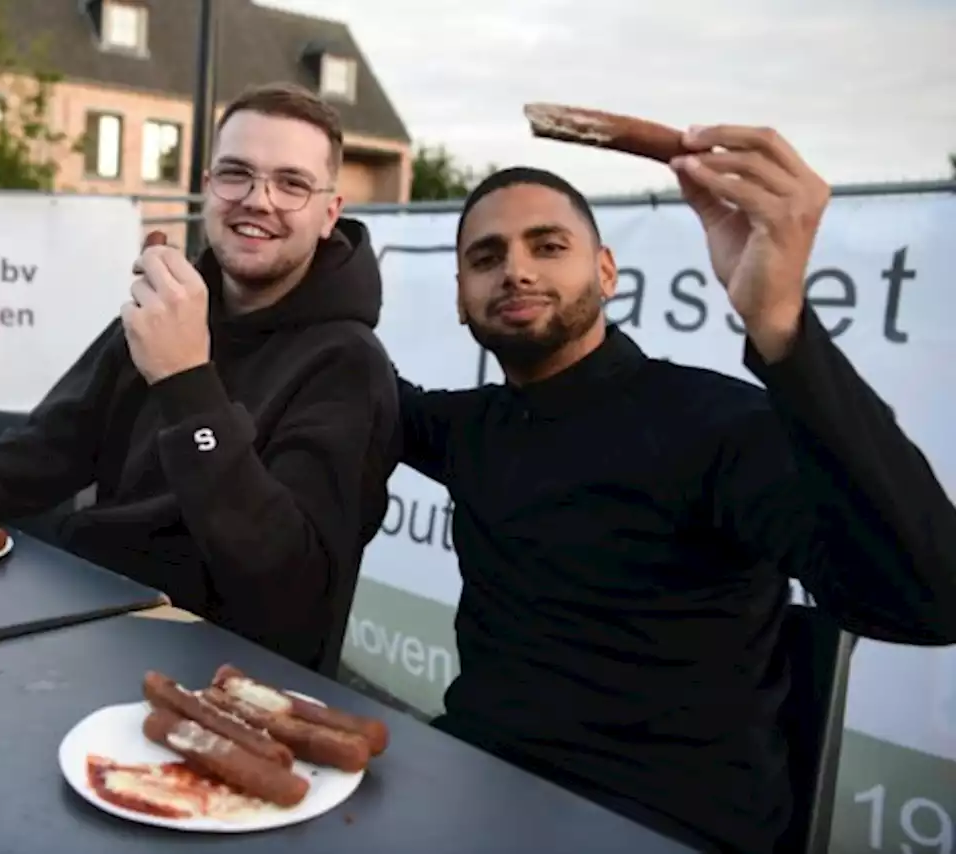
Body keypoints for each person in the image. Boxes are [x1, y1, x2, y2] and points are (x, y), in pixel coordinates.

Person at [398, 127, 956, 853]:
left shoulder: (717, 425)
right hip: (469, 780)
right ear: (461, 300)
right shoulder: (467, 426)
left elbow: (928, 600)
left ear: (607, 273)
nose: (516, 270)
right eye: (486, 257)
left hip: (664, 821)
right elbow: (359, 386)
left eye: (548, 246)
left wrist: (782, 327)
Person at [0, 83, 399, 672]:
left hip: (223, 680)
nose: (258, 200)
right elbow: (39, 456)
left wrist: (187, 382)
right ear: (210, 184)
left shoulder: (349, 364)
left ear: (329, 214)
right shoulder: (170, 305)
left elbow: (285, 588)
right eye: (236, 173)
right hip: (91, 625)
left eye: (292, 184)